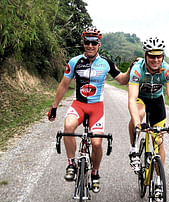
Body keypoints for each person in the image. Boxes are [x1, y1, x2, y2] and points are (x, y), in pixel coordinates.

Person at [48, 26, 130, 193]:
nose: (90, 45)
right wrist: (54, 107)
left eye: (94, 42)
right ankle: (71, 163)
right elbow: (64, 85)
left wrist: (130, 70)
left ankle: (95, 172)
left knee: (96, 142)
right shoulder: (74, 61)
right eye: (87, 42)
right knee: (68, 127)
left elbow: (122, 80)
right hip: (79, 104)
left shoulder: (106, 62)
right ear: (83, 43)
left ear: (99, 44)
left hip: (96, 107)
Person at [128, 37, 169, 177]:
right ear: (145, 55)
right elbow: (132, 99)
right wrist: (138, 124)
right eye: (152, 56)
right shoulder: (137, 69)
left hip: (157, 101)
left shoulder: (167, 70)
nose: (156, 60)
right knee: (139, 114)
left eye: (159, 56)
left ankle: (158, 180)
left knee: (158, 141)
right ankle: (133, 148)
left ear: (162, 56)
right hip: (141, 98)